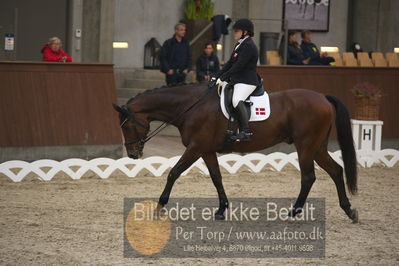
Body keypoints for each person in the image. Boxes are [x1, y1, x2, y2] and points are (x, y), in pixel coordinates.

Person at [215, 18, 259, 142]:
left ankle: (246, 131)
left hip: (247, 81)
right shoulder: (239, 44)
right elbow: (230, 63)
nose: (234, 33)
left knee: (236, 100)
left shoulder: (249, 46)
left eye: (237, 31)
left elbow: (238, 66)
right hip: (238, 79)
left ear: (245, 32)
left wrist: (223, 77)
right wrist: (217, 75)